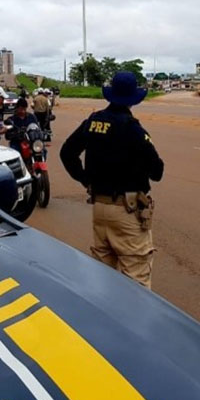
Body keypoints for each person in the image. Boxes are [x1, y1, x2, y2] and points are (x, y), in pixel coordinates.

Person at [60, 71, 164, 288]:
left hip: (100, 207)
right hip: (127, 212)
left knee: (103, 279)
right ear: (133, 99)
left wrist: (85, 180)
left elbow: (67, 153)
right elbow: (157, 171)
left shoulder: (94, 122)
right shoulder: (132, 129)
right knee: (136, 279)